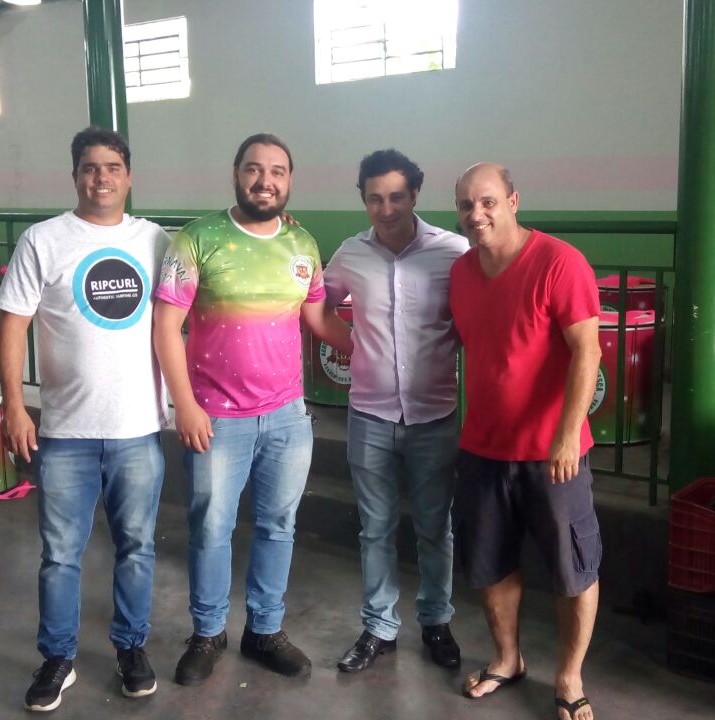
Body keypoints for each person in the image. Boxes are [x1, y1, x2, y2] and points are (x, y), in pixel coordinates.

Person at [153, 133, 353, 685]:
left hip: (288, 417)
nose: (265, 181)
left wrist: (376, 350)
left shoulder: (302, 244)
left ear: (289, 181)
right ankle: (208, 632)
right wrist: (184, 404)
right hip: (216, 418)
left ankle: (264, 630)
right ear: (236, 174)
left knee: (278, 527)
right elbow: (166, 327)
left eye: (277, 171)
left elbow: (318, 318)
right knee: (211, 529)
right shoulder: (196, 239)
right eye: (254, 169)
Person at [0, 126, 170, 712]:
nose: (102, 178)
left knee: (137, 547)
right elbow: (13, 324)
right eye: (90, 167)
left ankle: (131, 648)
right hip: (66, 432)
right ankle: (57, 658)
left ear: (129, 176)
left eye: (113, 167)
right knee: (60, 555)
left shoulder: (155, 242)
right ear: (74, 176)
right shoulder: (43, 240)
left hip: (137, 429)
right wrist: (13, 405)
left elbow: (198, 290)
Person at [448, 163, 603, 720]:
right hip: (483, 446)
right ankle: (507, 659)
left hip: (553, 453)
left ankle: (569, 676)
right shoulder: (461, 271)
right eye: (466, 205)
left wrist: (567, 436)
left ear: (514, 202)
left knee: (573, 566)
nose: (476, 214)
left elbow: (588, 350)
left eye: (488, 201)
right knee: (490, 563)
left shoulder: (560, 262)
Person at [321, 149, 469, 673]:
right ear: (363, 200)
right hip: (370, 417)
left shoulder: (453, 251)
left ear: (415, 195)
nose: (386, 209)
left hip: (435, 416)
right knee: (376, 529)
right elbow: (315, 302)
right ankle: (379, 627)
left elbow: (478, 315)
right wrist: (352, 344)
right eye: (375, 199)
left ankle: (436, 621)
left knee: (434, 527)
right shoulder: (350, 254)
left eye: (397, 197)